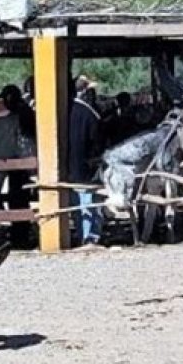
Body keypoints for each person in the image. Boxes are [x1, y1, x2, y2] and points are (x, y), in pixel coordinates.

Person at [69, 76, 103, 247]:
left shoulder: (63, 110)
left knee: (76, 204)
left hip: (66, 167)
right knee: (88, 202)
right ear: (85, 92)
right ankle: (89, 236)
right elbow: (97, 141)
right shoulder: (89, 114)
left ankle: (81, 233)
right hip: (85, 166)